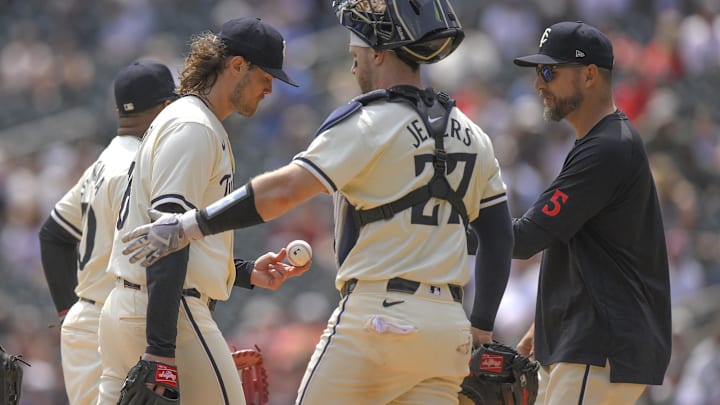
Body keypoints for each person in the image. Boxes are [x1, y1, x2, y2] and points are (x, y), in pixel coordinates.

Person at [122, 1, 514, 403]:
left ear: (378, 51)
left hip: (376, 319)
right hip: (447, 331)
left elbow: (283, 191)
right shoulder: (473, 134)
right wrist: (481, 325)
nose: (353, 65)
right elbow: (500, 237)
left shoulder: (367, 121)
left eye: (356, 54)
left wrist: (189, 226)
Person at [96, 18, 308, 405]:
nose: (270, 88)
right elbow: (167, 233)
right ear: (237, 65)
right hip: (168, 314)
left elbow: (178, 233)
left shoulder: (191, 121)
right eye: (266, 75)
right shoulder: (193, 125)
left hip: (130, 309)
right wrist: (161, 349)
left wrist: (243, 272)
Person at [510, 21, 672, 404]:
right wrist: (547, 323)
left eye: (549, 71)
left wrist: (449, 222)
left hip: (598, 347)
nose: (538, 84)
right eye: (538, 72)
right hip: (586, 342)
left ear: (588, 75)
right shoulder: (600, 143)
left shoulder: (608, 148)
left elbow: (525, 238)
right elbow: (596, 250)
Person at [38, 60, 178, 405]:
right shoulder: (140, 165)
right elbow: (160, 249)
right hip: (119, 322)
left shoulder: (103, 162)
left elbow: (53, 234)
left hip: (83, 324)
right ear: (165, 107)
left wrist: (67, 311)